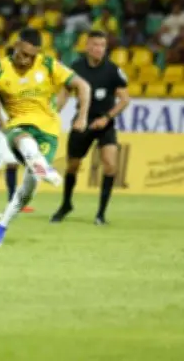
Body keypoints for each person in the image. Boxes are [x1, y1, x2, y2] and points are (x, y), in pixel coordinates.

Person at [0, 28, 91, 246]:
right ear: (16, 45)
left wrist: (82, 116)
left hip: (48, 131)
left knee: (27, 191)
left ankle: (1, 226)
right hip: (17, 126)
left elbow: (83, 86)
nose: (26, 59)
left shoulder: (48, 65)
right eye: (23, 54)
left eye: (31, 55)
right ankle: (40, 165)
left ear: (37, 52)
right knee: (25, 141)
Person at [51, 31, 131, 226]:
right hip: (82, 122)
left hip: (105, 123)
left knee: (110, 164)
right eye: (95, 45)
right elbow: (64, 94)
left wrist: (107, 118)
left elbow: (125, 99)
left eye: (102, 45)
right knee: (72, 166)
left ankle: (101, 214)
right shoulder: (76, 68)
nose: (99, 49)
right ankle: (66, 204)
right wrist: (53, 113)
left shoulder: (112, 70)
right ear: (87, 47)